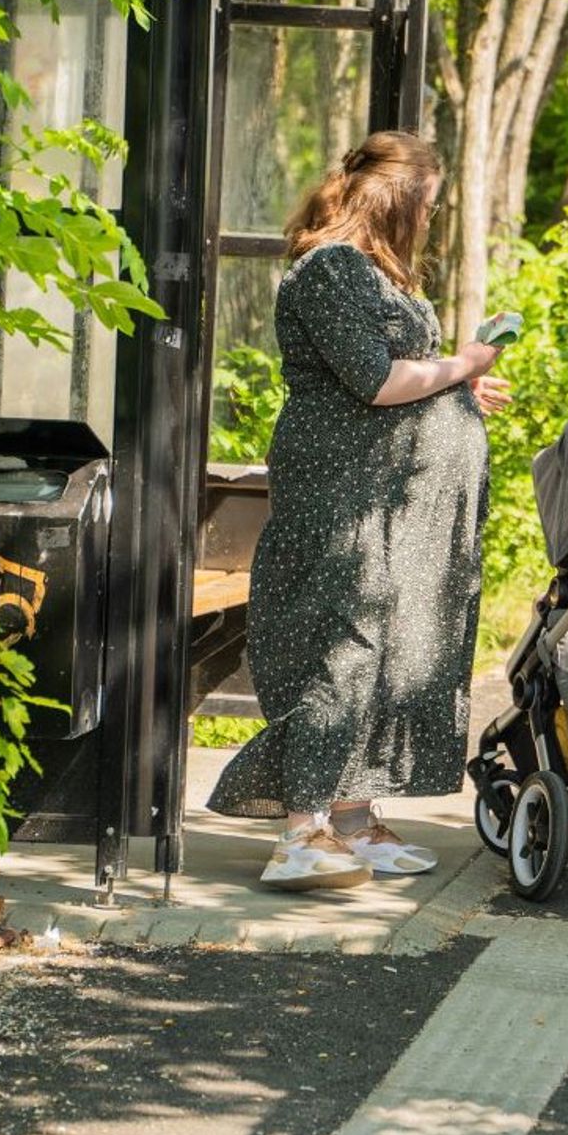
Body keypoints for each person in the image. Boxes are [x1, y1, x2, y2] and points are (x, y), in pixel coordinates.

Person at [206, 131, 512, 892]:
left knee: (389, 642)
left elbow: (399, 375)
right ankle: (301, 826)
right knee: (343, 639)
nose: (432, 218)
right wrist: (468, 361)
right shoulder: (332, 267)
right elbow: (373, 380)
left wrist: (452, 388)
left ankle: (351, 816)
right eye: (429, 204)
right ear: (398, 197)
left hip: (389, 493)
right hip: (343, 488)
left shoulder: (377, 273)